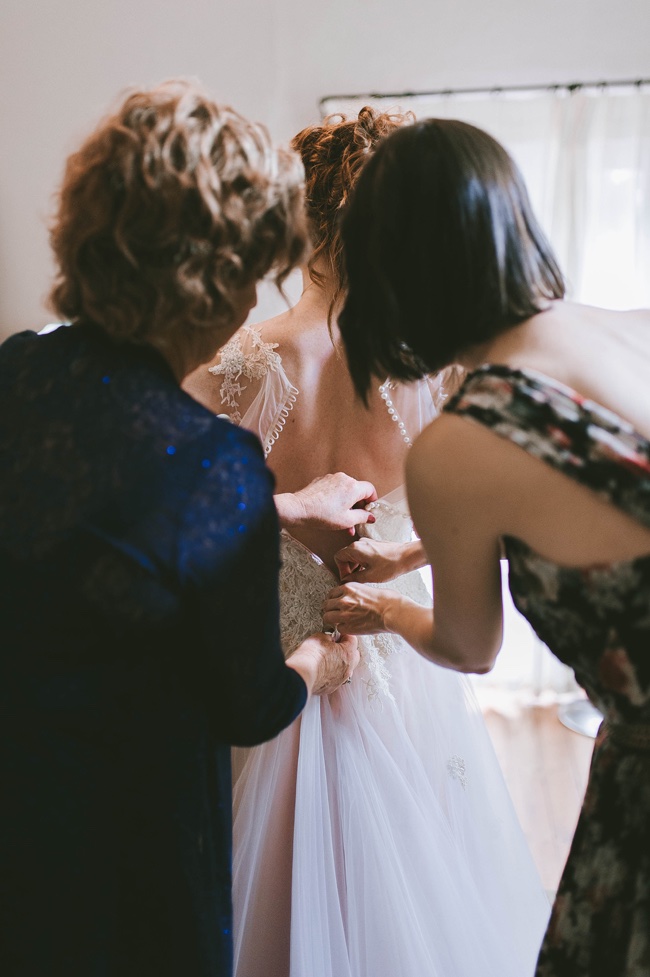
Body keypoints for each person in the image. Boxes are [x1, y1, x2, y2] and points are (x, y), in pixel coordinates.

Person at [0, 79, 365, 977]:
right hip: (127, 850)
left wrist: (270, 514)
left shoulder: (18, 372)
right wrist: (320, 660)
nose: (249, 305)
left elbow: (83, 510)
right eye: (247, 276)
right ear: (205, 281)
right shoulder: (211, 465)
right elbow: (250, 704)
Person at [186, 107, 550, 977]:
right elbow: (490, 512)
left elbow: (171, 509)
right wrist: (409, 559)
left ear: (301, 224)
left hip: (269, 668)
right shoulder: (434, 368)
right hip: (399, 661)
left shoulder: (239, 360)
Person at [326, 117, 650, 977]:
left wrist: (382, 606)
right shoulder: (631, 325)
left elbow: (472, 646)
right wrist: (412, 552)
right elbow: (601, 517)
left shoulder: (460, 444)